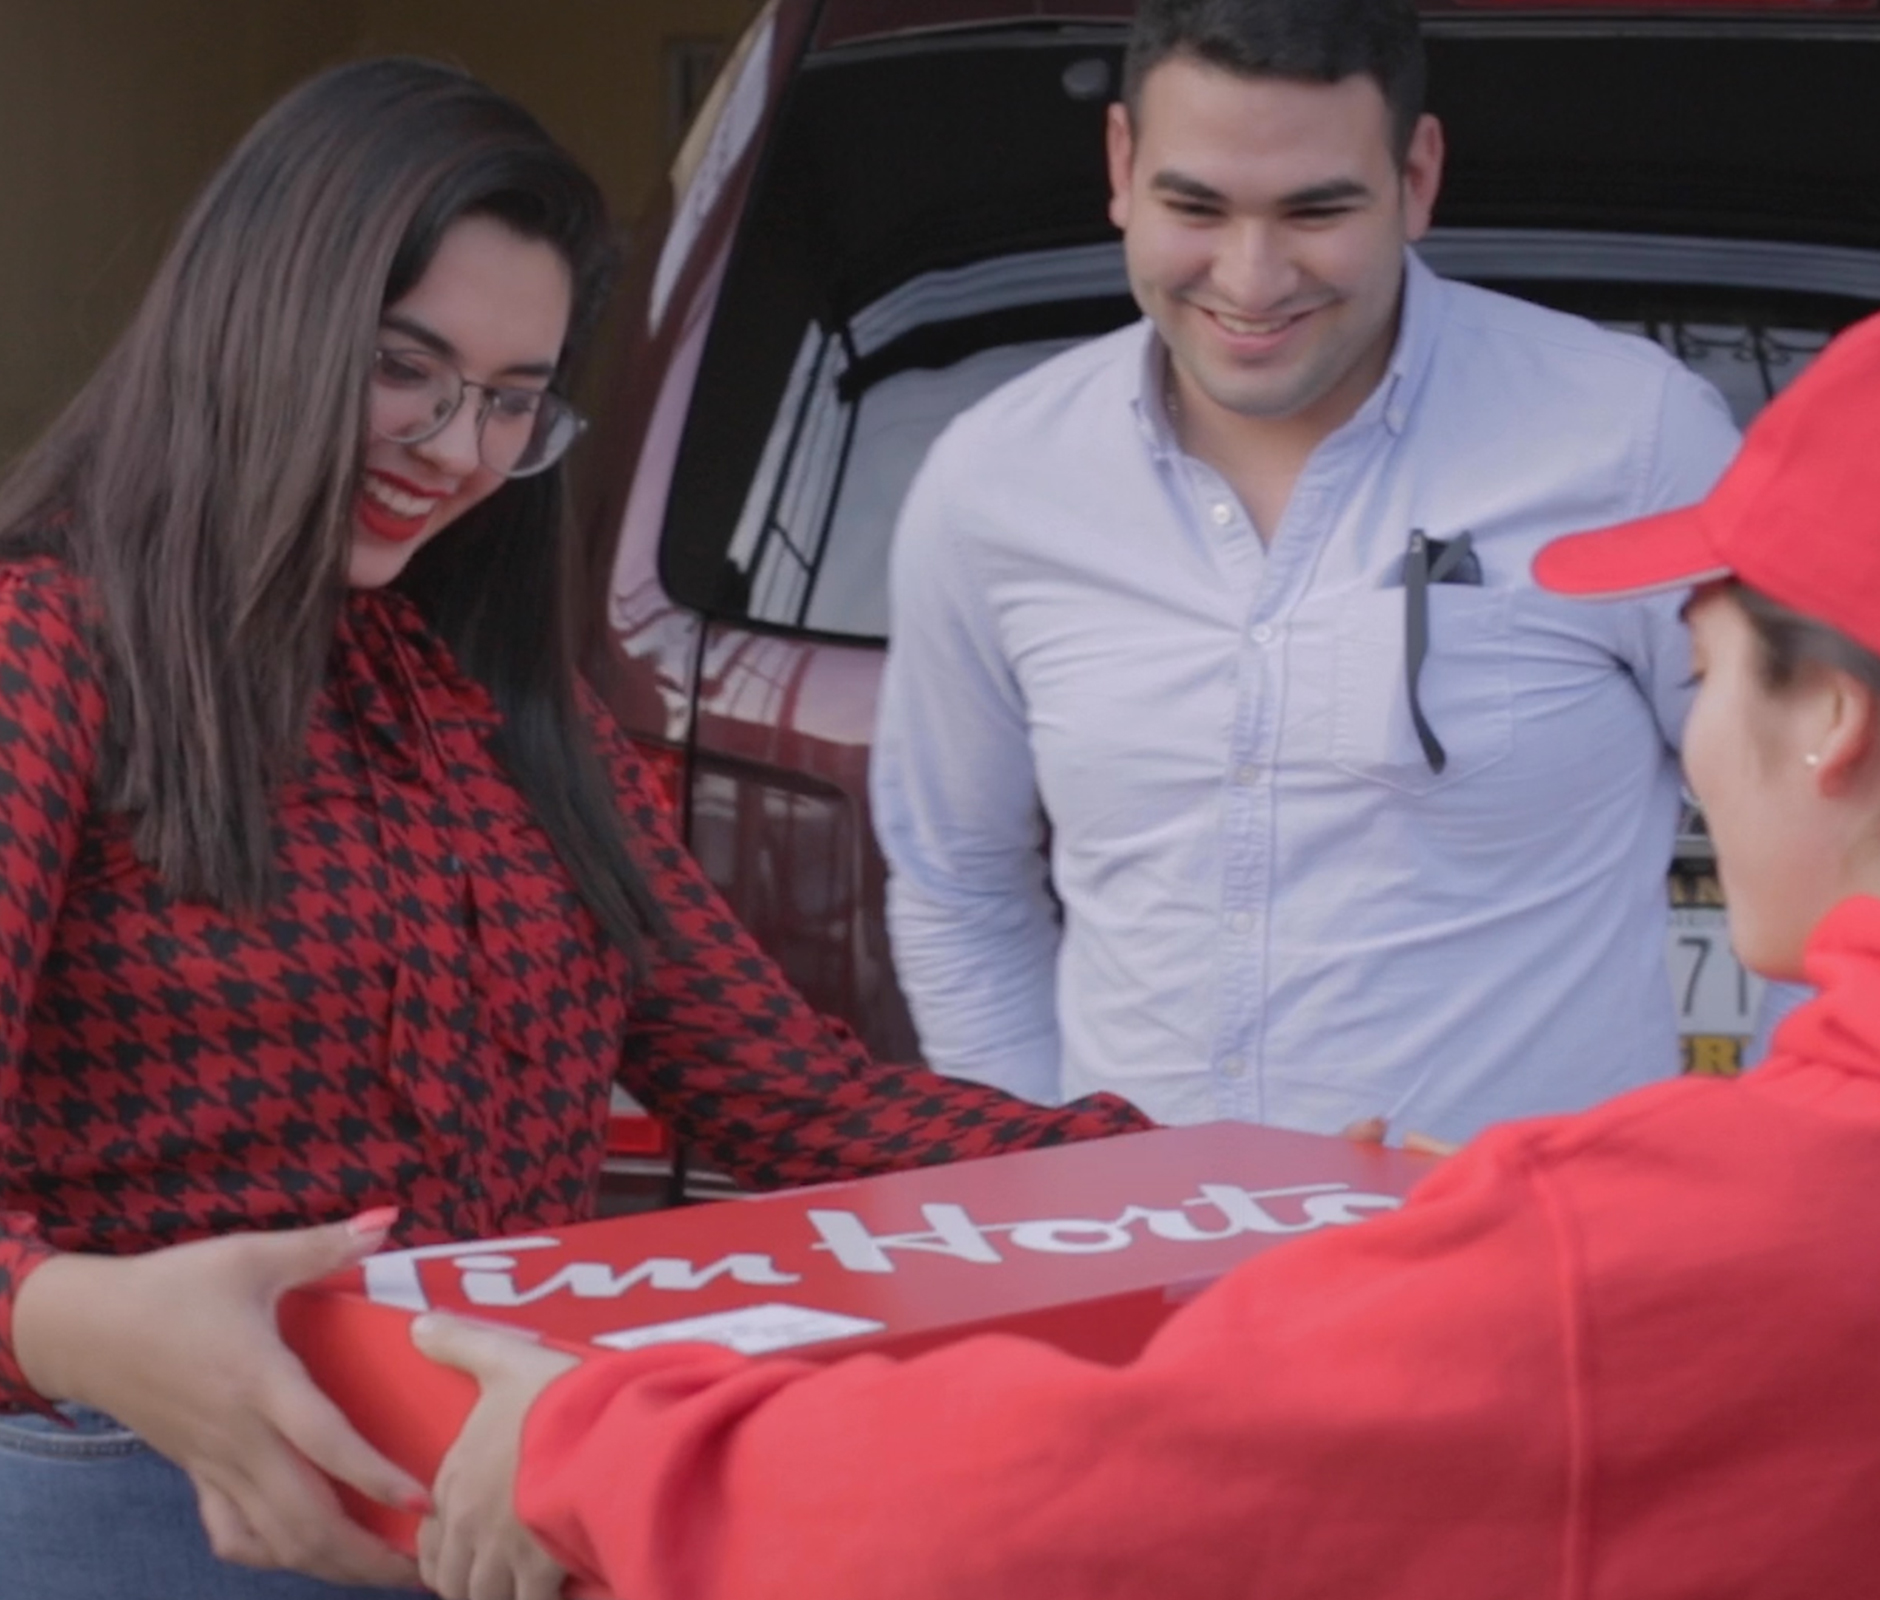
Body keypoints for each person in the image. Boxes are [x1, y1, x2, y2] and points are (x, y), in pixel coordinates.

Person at [411, 303, 1880, 1600]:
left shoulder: (1646, 1252)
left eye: (1699, 670)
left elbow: (1019, 1523)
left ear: (1828, 717)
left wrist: (589, 1441)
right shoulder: (1670, 1232)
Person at [0, 58, 1150, 1600]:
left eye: (513, 402)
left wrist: (1217, 1179)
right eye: (404, 369)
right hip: (151, 1503)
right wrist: (63, 1316)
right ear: (261, 319)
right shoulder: (46, 649)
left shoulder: (496, 714)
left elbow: (800, 1103)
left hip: (493, 1502)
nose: (458, 451)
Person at [869, 0, 1743, 1140]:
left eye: (1314, 210)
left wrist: (1766, 1161)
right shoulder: (993, 480)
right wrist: (1040, 1174)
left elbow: (1834, 831)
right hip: (1143, 1278)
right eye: (1195, 206)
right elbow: (954, 878)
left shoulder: (1632, 443)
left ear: (1415, 176)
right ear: (1122, 165)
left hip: (1526, 1279)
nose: (1252, 276)